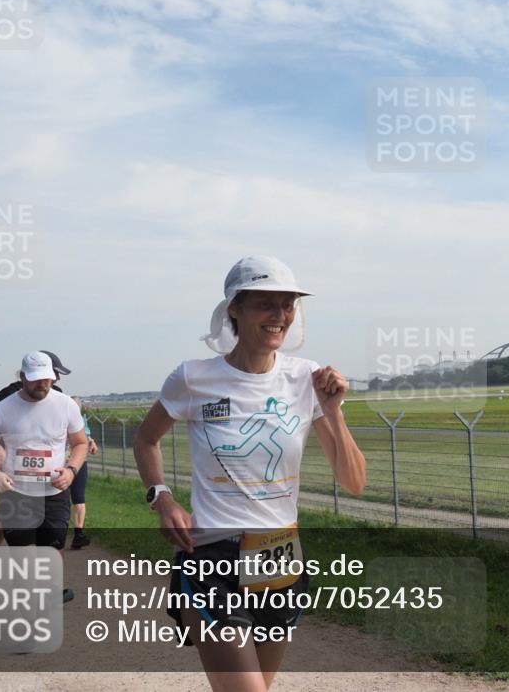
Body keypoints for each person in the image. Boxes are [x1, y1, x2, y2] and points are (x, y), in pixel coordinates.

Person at [133, 255, 366, 692]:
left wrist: (333, 412)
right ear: (234, 309)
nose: (279, 316)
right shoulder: (193, 378)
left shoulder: (305, 379)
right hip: (212, 560)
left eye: (288, 304)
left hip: (280, 560)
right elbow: (146, 440)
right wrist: (161, 498)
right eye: (265, 304)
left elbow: (354, 481)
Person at [0, 352, 87, 602]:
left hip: (55, 492)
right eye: (36, 379)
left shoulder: (66, 405)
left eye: (47, 378)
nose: (43, 384)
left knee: (52, 552)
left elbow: (80, 444)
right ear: (23, 377)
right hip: (17, 493)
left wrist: (71, 470)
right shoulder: (3, 410)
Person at [0, 350, 70, 548]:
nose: (57, 378)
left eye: (55, 375)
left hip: (48, 482)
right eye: (55, 372)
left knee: (49, 539)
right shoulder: (10, 395)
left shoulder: (57, 396)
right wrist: (0, 450)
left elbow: (65, 428)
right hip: (12, 476)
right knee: (3, 526)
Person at [68, 397, 98, 549]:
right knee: (58, 500)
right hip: (61, 464)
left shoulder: (80, 420)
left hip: (79, 464)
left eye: (76, 407)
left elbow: (86, 436)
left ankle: (78, 534)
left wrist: (91, 442)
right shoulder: (59, 417)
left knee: (79, 499)